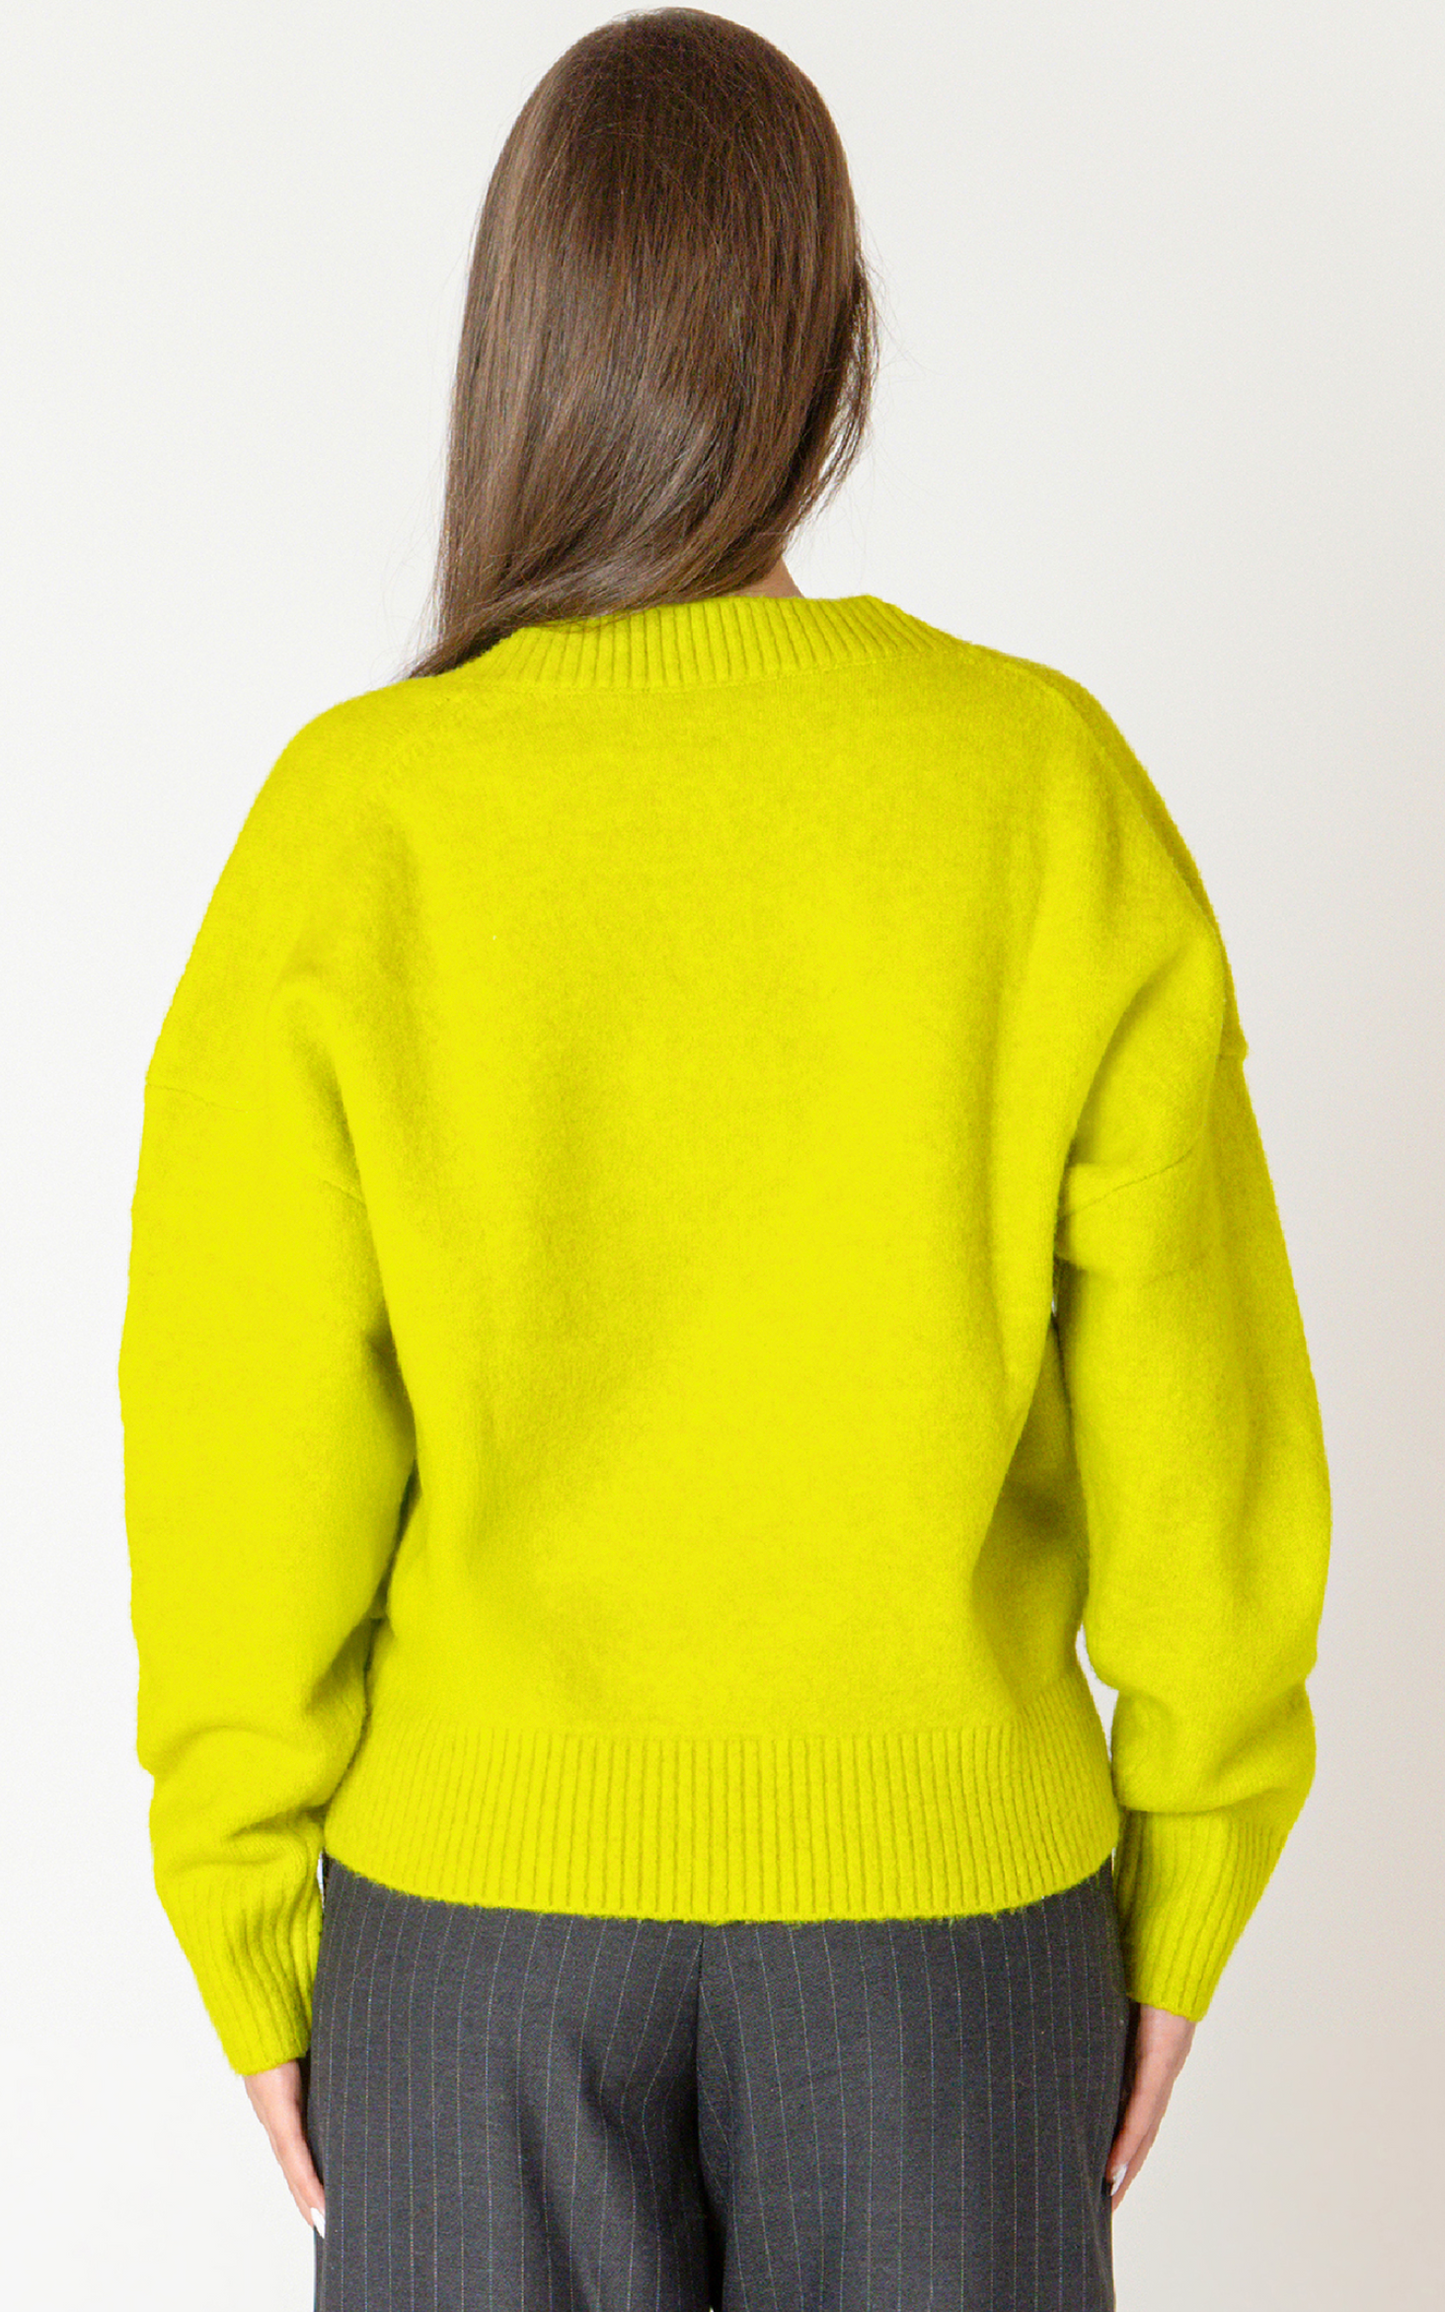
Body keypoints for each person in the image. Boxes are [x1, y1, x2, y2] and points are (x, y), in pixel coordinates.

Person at [117, 10, 1331, 2308]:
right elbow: (1200, 1409)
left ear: (519, 349)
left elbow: (233, 1431)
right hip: (944, 1947)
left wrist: (246, 1898)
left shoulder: (356, 825)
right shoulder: (1037, 789)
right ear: (830, 351)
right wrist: (1187, 1866)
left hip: (472, 1952)